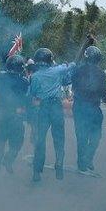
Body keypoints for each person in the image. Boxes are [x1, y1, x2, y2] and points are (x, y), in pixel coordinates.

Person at [28, 48, 75, 182]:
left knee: (40, 139)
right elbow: (72, 65)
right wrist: (70, 65)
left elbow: (34, 94)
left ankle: (37, 172)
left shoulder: (35, 76)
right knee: (59, 137)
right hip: (56, 107)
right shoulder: (58, 70)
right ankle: (59, 161)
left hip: (42, 108)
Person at [0, 55, 29, 174]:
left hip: (2, 114)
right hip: (16, 116)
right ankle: (8, 160)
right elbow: (26, 99)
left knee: (0, 141)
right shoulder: (24, 82)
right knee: (17, 142)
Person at [71, 46, 106, 173]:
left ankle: (82, 162)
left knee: (81, 136)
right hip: (93, 108)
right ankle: (88, 158)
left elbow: (73, 87)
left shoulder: (77, 70)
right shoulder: (101, 73)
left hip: (79, 107)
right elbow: (105, 94)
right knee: (96, 136)